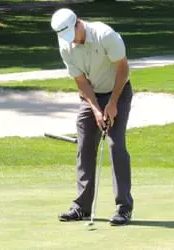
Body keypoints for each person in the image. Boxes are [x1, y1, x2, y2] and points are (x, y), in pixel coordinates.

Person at [51, 8, 133, 226]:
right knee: (85, 143)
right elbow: (81, 82)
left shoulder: (104, 35)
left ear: (78, 23)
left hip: (119, 89)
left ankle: (123, 208)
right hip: (92, 94)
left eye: (72, 36)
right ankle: (81, 207)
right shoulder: (65, 45)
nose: (72, 42)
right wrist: (97, 109)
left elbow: (123, 69)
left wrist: (113, 103)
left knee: (116, 144)